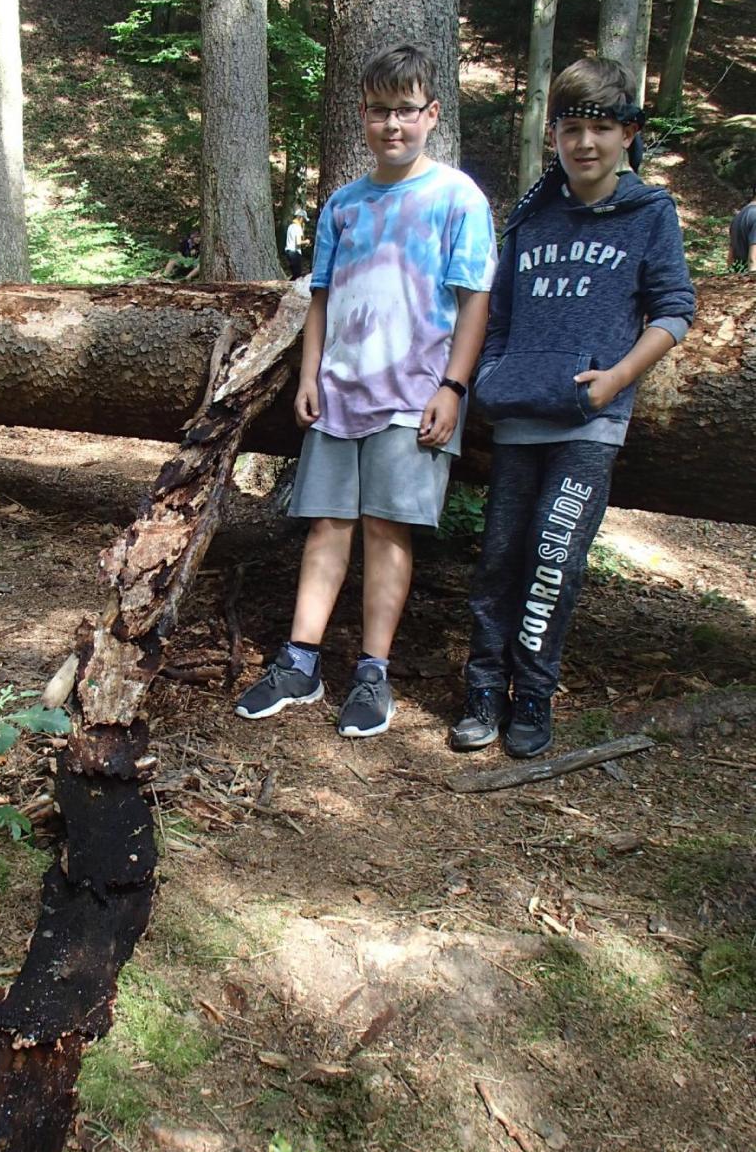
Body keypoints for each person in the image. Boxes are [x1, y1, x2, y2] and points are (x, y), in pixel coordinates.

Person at [234, 43, 496, 738]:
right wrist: (312, 374)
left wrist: (452, 387)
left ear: (430, 114)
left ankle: (372, 673)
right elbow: (320, 298)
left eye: (405, 111)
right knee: (325, 524)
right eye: (379, 111)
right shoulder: (344, 206)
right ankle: (299, 661)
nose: (392, 126)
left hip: (413, 394)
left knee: (387, 529)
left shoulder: (455, 198)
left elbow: (474, 303)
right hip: (340, 392)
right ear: (362, 115)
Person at [450, 57, 695, 761]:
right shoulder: (530, 217)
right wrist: (494, 377)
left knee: (554, 557)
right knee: (498, 559)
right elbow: (497, 318)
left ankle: (532, 695)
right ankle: (481, 690)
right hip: (519, 417)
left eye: (600, 128)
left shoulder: (648, 213)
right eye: (570, 129)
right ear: (551, 135)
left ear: (627, 134)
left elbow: (674, 310)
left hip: (589, 424)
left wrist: (618, 376)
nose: (584, 144)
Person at [728, 184, 756, 273]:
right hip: (749, 277)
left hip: (737, 274)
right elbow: (753, 259)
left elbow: (730, 258)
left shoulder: (739, 216)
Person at [284, 208, 307, 278]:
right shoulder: (297, 227)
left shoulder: (290, 226)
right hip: (295, 252)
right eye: (303, 219)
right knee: (297, 275)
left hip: (288, 252)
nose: (303, 221)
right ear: (300, 218)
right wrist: (306, 241)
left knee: (294, 274)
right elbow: (298, 242)